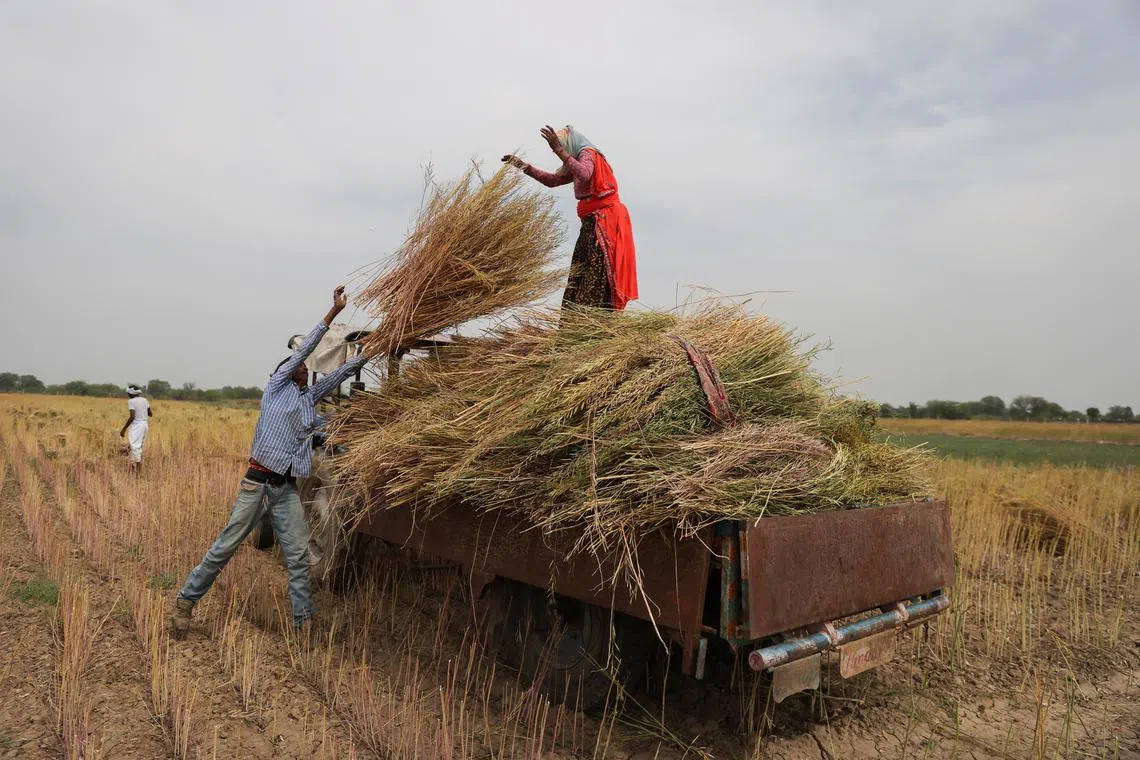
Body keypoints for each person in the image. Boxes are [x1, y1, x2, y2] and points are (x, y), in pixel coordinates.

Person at [171, 285, 374, 638]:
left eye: (305, 369)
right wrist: (333, 313)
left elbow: (340, 375)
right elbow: (306, 350)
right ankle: (185, 604)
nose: (304, 369)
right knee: (225, 548)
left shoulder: (308, 400)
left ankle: (303, 625)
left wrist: (374, 350)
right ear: (286, 370)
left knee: (297, 559)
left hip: (286, 491)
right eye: (299, 366)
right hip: (258, 484)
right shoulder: (276, 387)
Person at [503, 125, 638, 310]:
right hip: (592, 223)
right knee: (581, 273)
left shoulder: (588, 153)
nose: (562, 151)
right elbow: (552, 180)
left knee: (597, 272)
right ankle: (577, 323)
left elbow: (584, 173)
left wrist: (558, 150)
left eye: (563, 146)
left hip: (604, 223)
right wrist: (523, 166)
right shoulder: (576, 159)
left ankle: (596, 322)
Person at [119, 385, 152, 476]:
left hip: (137, 426)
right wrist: (143, 411)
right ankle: (132, 468)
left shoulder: (131, 401)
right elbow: (150, 414)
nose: (127, 394)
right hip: (145, 425)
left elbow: (132, 416)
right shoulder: (145, 400)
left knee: (135, 446)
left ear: (130, 393)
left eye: (128, 393)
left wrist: (124, 429)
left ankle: (138, 470)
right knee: (138, 446)